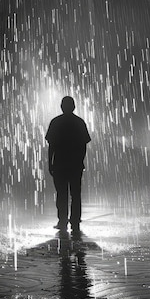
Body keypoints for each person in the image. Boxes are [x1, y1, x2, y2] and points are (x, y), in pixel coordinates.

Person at [45, 96, 91, 232]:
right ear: (74, 107)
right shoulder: (79, 122)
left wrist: (50, 163)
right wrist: (80, 161)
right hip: (75, 164)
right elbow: (84, 145)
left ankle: (63, 220)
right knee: (75, 193)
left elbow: (51, 145)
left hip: (59, 163)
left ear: (61, 107)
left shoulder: (56, 122)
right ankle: (75, 220)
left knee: (61, 193)